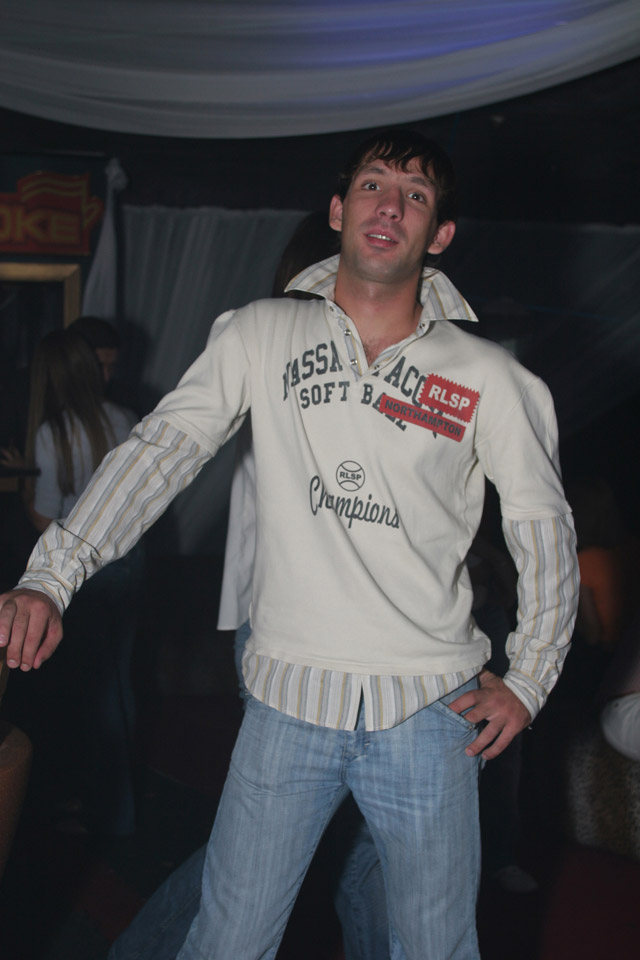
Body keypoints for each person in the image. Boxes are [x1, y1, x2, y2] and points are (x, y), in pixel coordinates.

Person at [0, 130, 579, 959]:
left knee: (435, 948)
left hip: (429, 711)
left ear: (440, 234)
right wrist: (51, 576)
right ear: (338, 211)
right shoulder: (259, 334)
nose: (391, 206)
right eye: (373, 186)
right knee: (228, 942)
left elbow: (542, 526)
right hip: (286, 704)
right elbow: (162, 451)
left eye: (415, 196)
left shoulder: (493, 377)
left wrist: (529, 678)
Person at [1, 328, 140, 835]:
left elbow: (46, 521)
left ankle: (97, 813)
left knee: (88, 694)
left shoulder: (53, 431)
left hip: (79, 574)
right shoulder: (124, 418)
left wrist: (25, 483)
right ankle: (118, 812)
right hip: (128, 563)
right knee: (120, 681)